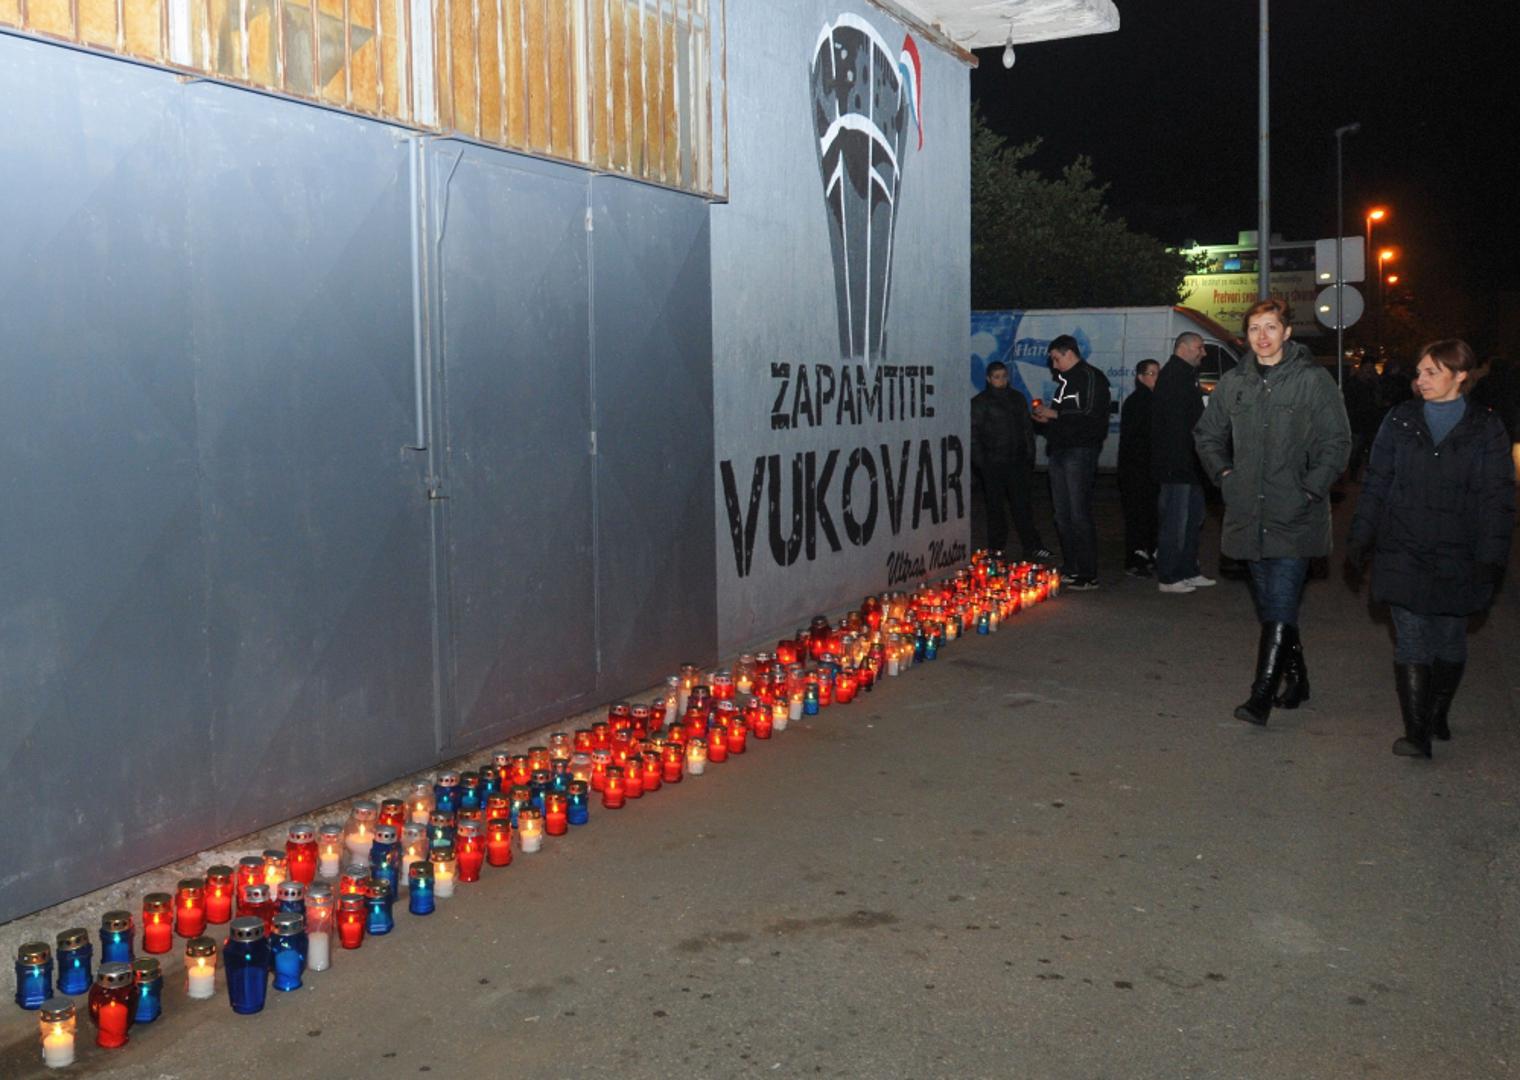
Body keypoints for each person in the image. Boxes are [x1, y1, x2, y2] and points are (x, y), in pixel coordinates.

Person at [1345, 339, 1515, 758]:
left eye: (1432, 372)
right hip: (1403, 547)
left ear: (1461, 375)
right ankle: (1417, 733)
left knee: (1450, 639)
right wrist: (1361, 536)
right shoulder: (1400, 419)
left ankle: (1437, 711)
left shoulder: (1486, 426)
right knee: (1411, 639)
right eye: (1419, 371)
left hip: (1459, 552)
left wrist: (1491, 558)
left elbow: (1497, 498)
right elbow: (1378, 481)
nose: (1420, 380)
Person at [1194, 299, 1351, 725]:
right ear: (1246, 336)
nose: (1262, 336)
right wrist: (1224, 474)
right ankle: (1297, 680)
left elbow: (1337, 442)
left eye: (1270, 327)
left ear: (1287, 333)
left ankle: (1260, 696)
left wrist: (1310, 489)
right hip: (1248, 512)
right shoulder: (1234, 383)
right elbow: (1206, 435)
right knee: (1272, 607)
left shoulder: (1312, 380)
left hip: (1294, 513)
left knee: (1279, 602)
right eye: (1254, 329)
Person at [1033, 335, 1111, 591]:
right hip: (1059, 450)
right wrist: (1046, 420)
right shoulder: (1064, 385)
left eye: (1056, 359)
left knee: (1078, 512)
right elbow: (1060, 417)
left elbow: (1090, 414)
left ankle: (1088, 573)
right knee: (1062, 514)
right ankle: (1072, 566)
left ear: (1068, 353)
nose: (1054, 366)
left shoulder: (1092, 377)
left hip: (1080, 450)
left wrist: (1054, 414)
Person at [1151, 333, 1214, 594]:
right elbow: (1176, 426)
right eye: (1200, 347)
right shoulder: (1173, 376)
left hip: (1190, 463)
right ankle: (1168, 576)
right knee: (1175, 521)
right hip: (1178, 464)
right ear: (1184, 348)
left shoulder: (1186, 375)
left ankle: (1189, 570)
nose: (1203, 353)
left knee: (1192, 519)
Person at [971, 361, 1051, 561]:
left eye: (1004, 376)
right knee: (995, 509)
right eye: (997, 377)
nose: (1002, 380)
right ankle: (996, 549)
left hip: (1017, 462)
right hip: (993, 463)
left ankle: (1032, 546)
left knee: (1022, 506)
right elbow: (973, 434)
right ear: (989, 379)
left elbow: (1026, 428)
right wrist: (981, 462)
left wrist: (1029, 455)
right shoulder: (980, 402)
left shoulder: (1017, 398)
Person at [1118, 360, 1160, 576]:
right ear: (1141, 377)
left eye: (1158, 373)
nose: (1156, 377)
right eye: (1151, 373)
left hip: (1147, 469)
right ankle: (1136, 558)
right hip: (1137, 469)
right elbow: (1137, 439)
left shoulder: (1154, 400)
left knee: (1150, 514)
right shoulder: (1138, 402)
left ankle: (1149, 553)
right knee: (1138, 515)